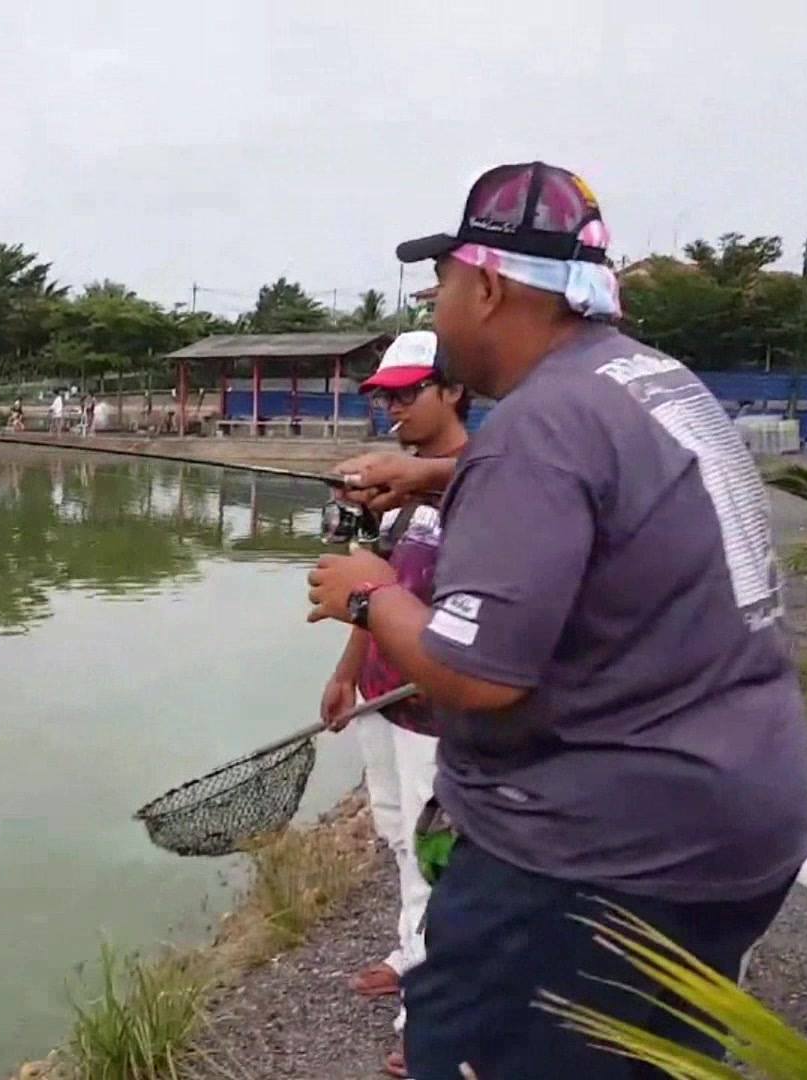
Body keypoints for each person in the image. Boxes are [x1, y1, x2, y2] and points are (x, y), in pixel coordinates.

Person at [306, 162, 807, 1080]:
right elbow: (615, 503)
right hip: (734, 823)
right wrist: (436, 476)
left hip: (598, 859)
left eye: (443, 286)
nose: (438, 304)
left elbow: (478, 673)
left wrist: (369, 592)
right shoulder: (649, 381)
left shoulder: (537, 428)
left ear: (490, 287)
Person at [318, 330, 470, 1079]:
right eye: (386, 397)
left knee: (436, 860)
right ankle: (411, 958)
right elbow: (367, 591)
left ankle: (432, 1018)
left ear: (454, 390)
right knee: (395, 837)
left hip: (435, 709)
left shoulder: (482, 485)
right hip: (382, 696)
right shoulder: (396, 490)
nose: (396, 410)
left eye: (411, 393)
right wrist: (348, 673)